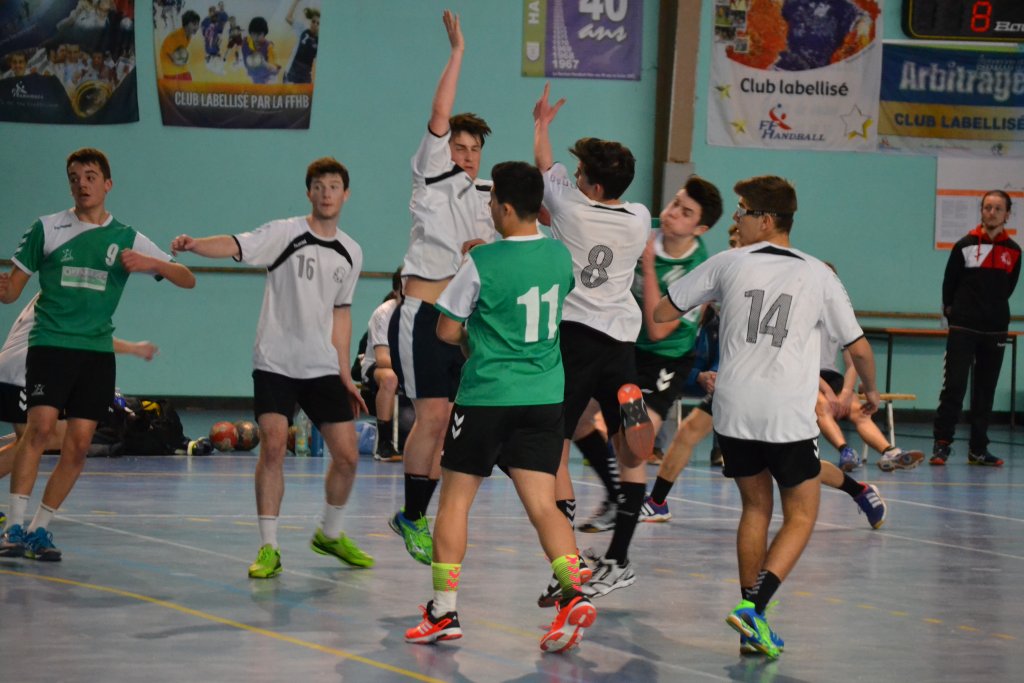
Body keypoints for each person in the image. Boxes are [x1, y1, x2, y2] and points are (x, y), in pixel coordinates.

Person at [654, 175, 881, 658]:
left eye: (743, 211)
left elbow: (661, 313)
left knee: (755, 509)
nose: (736, 219)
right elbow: (859, 347)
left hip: (733, 408)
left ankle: (749, 628)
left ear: (768, 219)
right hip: (785, 411)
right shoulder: (818, 273)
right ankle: (754, 609)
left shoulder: (727, 262)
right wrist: (871, 391)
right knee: (801, 514)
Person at [404, 161, 595, 653]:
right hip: (544, 397)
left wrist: (475, 337)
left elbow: (447, 330)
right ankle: (573, 594)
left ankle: (444, 611)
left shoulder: (482, 262)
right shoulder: (559, 256)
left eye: (491, 202)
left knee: (455, 502)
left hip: (488, 396)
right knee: (544, 505)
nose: (488, 208)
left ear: (506, 209)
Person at [170, 157, 373, 578]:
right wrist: (194, 245)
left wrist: (344, 372)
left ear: (346, 194)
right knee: (275, 445)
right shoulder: (285, 234)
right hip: (275, 361)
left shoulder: (351, 252)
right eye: (319, 186)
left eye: (334, 186)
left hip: (320, 366)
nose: (326, 193)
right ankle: (269, 547)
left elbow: (341, 314)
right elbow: (235, 244)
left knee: (348, 457)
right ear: (309, 193)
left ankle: (329, 534)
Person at [0, 147, 195, 561]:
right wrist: (3, 285)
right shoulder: (46, 228)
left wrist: (150, 263)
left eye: (90, 177)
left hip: (95, 355)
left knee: (78, 445)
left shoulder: (126, 237)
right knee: (39, 431)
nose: (82, 184)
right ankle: (13, 528)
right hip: (50, 346)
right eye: (74, 178)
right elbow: (11, 292)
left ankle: (39, 529)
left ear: (107, 184)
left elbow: (187, 278)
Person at [532, 82, 653, 601]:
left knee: (555, 450)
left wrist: (541, 125)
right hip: (621, 343)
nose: (575, 177)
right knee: (632, 455)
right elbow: (562, 176)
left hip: (574, 340)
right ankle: (619, 559)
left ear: (595, 186)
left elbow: (545, 169)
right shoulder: (640, 217)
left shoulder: (570, 209)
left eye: (581, 174)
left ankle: (572, 559)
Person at [387, 10, 495, 565]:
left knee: (449, 420)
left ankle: (417, 516)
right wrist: (457, 54)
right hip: (423, 313)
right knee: (430, 415)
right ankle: (411, 516)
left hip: (464, 325)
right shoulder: (430, 174)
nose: (466, 156)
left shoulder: (490, 198)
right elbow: (438, 115)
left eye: (474, 149)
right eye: (459, 146)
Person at [0, 293, 159, 481]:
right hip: (21, 372)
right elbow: (91, 339)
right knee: (42, 438)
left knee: (40, 438)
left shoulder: (60, 289)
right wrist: (134, 348)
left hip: (20, 369)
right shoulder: (70, 292)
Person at [932, 190, 1020, 467]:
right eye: (987, 207)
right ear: (981, 211)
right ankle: (942, 444)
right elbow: (949, 284)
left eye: (997, 208)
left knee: (985, 391)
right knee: (954, 387)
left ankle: (978, 449)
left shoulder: (1014, 251)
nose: (991, 212)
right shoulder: (964, 245)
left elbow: (1008, 287)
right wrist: (955, 314)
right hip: (963, 328)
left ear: (1007, 214)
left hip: (995, 330)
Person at [814, 268, 925, 473]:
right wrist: (827, 392)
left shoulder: (839, 317)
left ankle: (890, 452)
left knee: (859, 411)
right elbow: (803, 363)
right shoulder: (804, 316)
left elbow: (853, 362)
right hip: (809, 378)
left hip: (832, 377)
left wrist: (846, 392)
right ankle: (846, 451)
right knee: (822, 406)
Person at [356, 268, 403, 462]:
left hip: (406, 367)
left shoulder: (422, 313)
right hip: (375, 367)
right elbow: (382, 358)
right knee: (390, 378)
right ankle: (384, 442)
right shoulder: (383, 313)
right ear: (396, 291)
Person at [284, 0, 318, 84]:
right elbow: (288, 18)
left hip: (305, 76)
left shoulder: (320, 41)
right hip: (292, 72)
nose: (315, 24)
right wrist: (295, 2)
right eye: (313, 21)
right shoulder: (303, 29)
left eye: (318, 23)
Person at [159, 9, 199, 80]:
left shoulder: (188, 36)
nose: (197, 27)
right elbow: (169, 54)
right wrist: (179, 62)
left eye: (198, 24)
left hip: (178, 66)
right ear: (186, 24)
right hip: (169, 69)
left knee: (188, 79)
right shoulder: (176, 36)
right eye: (194, 24)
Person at [241, 16, 280, 84]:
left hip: (269, 78)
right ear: (250, 33)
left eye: (259, 34)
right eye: (253, 34)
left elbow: (275, 69)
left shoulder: (269, 47)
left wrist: (264, 63)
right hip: (255, 77)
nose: (256, 37)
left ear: (264, 33)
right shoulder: (246, 42)